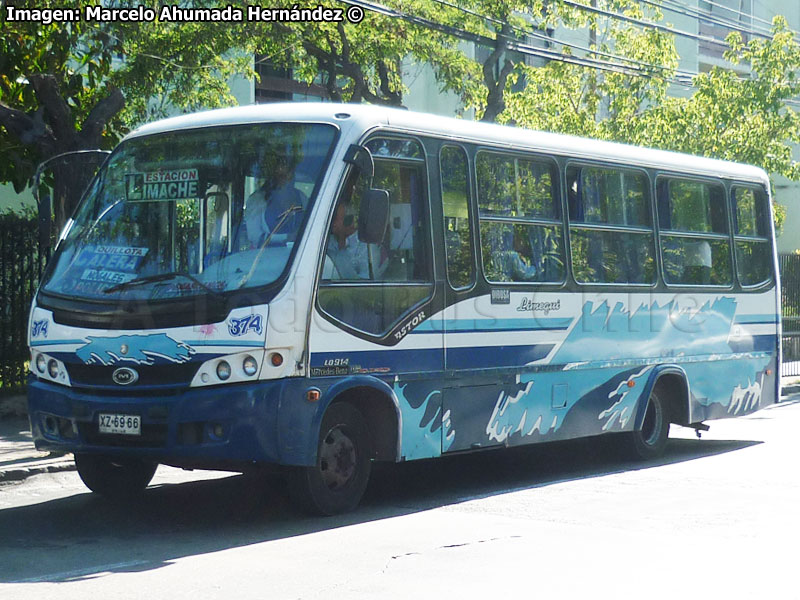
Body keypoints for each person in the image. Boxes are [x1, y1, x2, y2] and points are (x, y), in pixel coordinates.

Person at [243, 155, 306, 248]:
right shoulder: (256, 200)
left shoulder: (302, 197)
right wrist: (286, 237)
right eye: (281, 176)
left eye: (289, 173)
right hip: (263, 258)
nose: (286, 179)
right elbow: (254, 236)